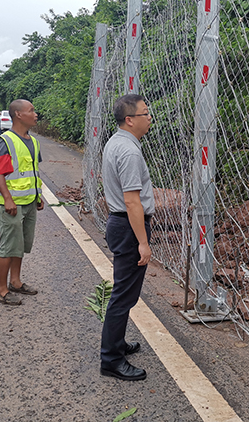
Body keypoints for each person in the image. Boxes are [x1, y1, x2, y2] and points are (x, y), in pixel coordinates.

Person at [100, 94, 154, 381]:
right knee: (123, 296)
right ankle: (111, 359)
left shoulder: (116, 142)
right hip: (128, 226)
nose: (150, 118)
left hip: (119, 223)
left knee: (124, 292)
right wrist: (143, 242)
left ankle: (117, 345)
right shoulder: (130, 152)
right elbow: (132, 201)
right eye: (145, 114)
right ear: (130, 119)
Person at [0, 99, 44, 306]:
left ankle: (16, 282)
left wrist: (38, 197)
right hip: (11, 205)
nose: (35, 114)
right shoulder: (6, 141)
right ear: (19, 115)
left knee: (20, 244)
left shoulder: (34, 141)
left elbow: (33, 172)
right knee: (9, 246)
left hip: (29, 201)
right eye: (31, 110)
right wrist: (7, 198)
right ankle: (1, 290)